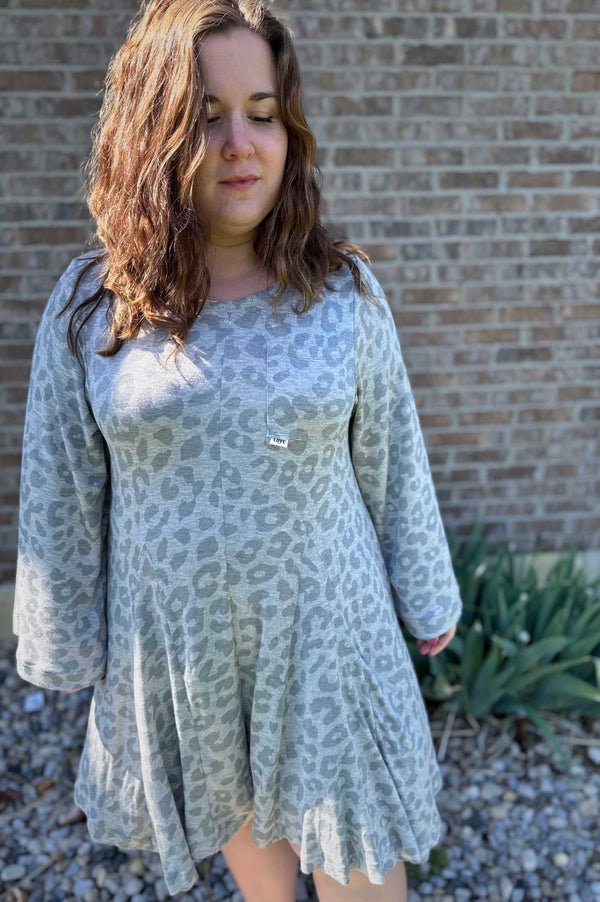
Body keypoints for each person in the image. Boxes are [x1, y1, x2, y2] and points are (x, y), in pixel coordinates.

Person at [12, 1, 462, 900]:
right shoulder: (94, 307)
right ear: (151, 132)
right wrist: (61, 641)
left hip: (327, 646)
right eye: (206, 116)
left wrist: (427, 592)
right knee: (264, 883)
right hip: (186, 660)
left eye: (263, 113)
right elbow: (60, 488)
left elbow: (392, 453)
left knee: (362, 876)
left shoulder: (339, 293)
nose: (240, 144)